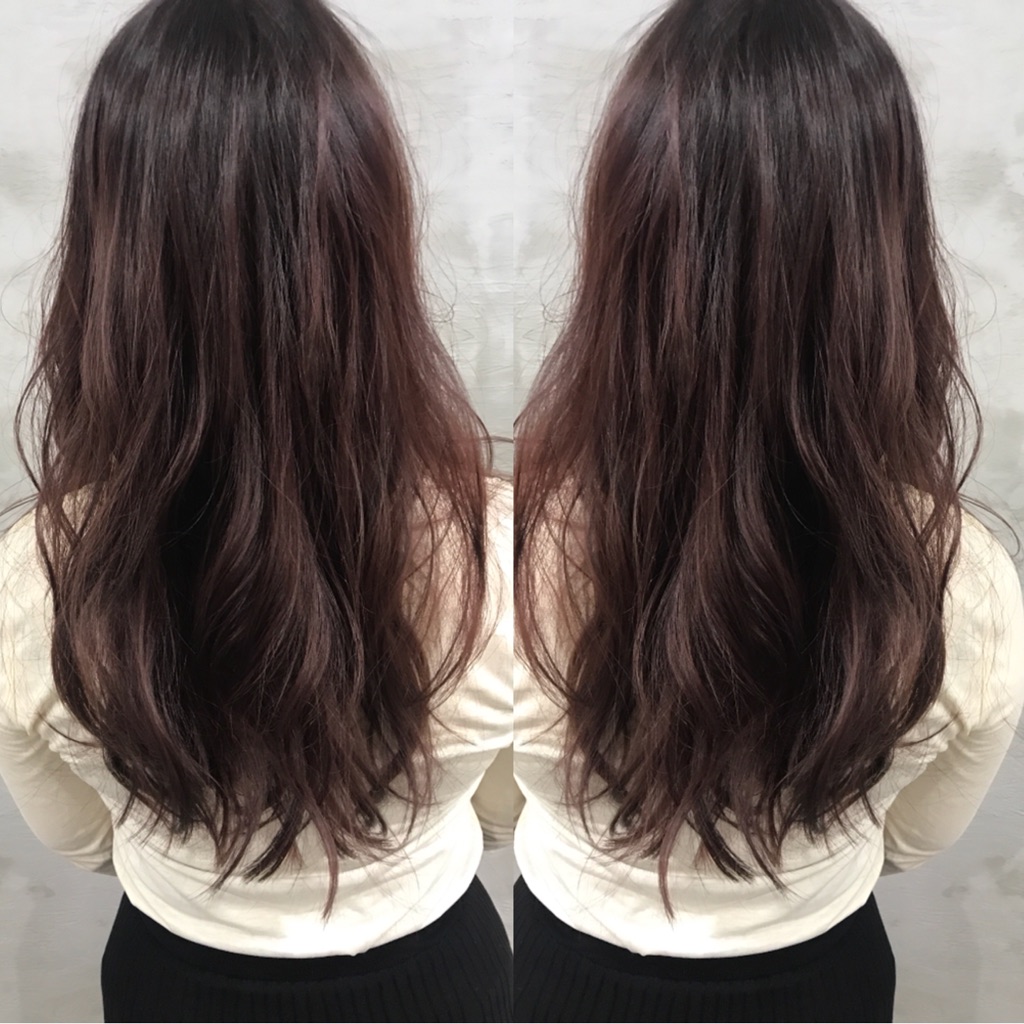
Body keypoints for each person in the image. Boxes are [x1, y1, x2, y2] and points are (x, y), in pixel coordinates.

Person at [0, 1, 512, 1021]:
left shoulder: (35, 579)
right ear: (369, 238)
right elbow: (504, 810)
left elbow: (80, 837)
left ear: (112, 251)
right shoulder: (492, 545)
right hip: (437, 977)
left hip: (176, 978)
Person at [512, 0, 1024, 1021]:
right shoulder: (960, 583)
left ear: (625, 236)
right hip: (817, 973)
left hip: (567, 968)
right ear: (883, 248)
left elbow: (494, 792)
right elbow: (914, 839)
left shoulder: (516, 545)